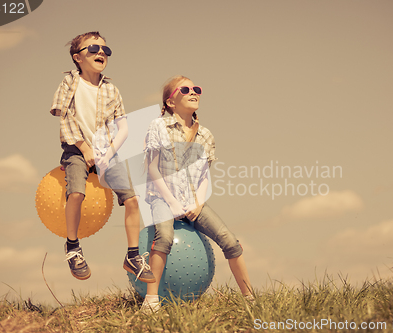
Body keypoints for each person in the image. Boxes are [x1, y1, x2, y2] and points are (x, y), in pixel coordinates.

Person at [49, 31, 155, 284]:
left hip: (107, 153)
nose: (100, 53)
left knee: (132, 200)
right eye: (93, 49)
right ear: (77, 57)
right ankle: (73, 246)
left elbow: (123, 127)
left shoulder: (111, 90)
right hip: (76, 149)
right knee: (76, 193)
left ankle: (132, 256)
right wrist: (85, 150)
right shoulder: (69, 84)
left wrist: (106, 154)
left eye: (105, 50)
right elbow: (64, 116)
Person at [141, 75, 252, 313]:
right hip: (162, 198)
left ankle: (250, 299)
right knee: (164, 237)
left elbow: (204, 176)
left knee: (231, 242)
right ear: (170, 102)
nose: (194, 92)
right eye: (185, 89)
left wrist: (199, 204)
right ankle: (151, 301)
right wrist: (171, 201)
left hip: (193, 201)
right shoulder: (158, 126)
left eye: (196, 89)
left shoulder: (206, 135)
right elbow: (152, 169)